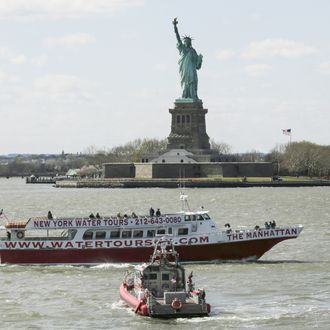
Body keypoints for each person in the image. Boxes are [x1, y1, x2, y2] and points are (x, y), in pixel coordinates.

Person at [173, 17, 203, 100]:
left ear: (190, 43)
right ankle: (185, 95)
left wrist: (200, 59)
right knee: (185, 82)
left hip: (192, 69)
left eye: (187, 41)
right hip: (184, 69)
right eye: (185, 41)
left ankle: (192, 95)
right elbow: (178, 38)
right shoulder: (182, 49)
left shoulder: (193, 51)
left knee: (193, 81)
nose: (186, 42)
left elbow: (197, 66)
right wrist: (175, 27)